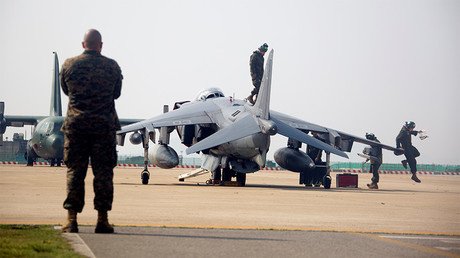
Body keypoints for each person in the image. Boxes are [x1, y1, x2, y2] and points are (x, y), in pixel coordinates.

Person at [60, 29, 123, 233]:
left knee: (75, 173)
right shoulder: (111, 67)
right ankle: (102, 220)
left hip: (76, 127)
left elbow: (66, 90)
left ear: (83, 44)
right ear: (100, 45)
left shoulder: (69, 65)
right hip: (103, 128)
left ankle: (71, 220)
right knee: (103, 174)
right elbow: (117, 93)